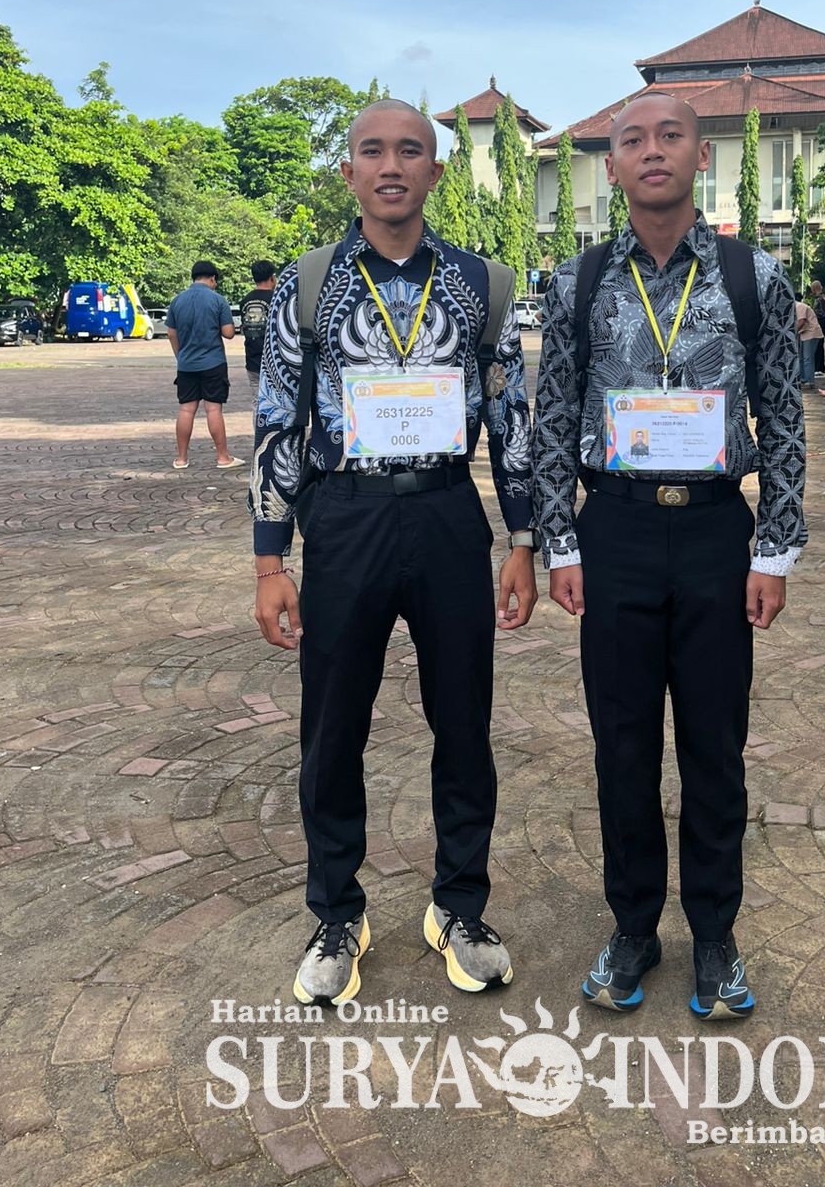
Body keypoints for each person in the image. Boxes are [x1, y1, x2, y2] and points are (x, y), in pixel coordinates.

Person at [250, 99, 537, 1008]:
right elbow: (277, 419)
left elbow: (512, 417)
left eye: (410, 150)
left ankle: (459, 907)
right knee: (333, 726)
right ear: (348, 172)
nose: (391, 166)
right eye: (371, 151)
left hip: (448, 514)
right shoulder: (309, 284)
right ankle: (337, 913)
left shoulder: (482, 284)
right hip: (346, 519)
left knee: (465, 723)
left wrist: (522, 538)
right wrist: (270, 559)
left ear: (434, 172)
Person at [531, 91, 806, 1020]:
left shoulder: (753, 276)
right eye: (632, 140)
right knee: (622, 746)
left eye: (671, 136)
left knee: (714, 746)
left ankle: (715, 934)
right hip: (614, 530)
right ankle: (634, 927)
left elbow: (785, 417)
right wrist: (560, 540)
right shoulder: (577, 282)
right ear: (611, 166)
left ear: (701, 156)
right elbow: (552, 416)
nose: (652, 151)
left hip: (717, 535)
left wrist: (774, 549)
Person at [165, 262, 243, 471]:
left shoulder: (177, 301)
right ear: (212, 278)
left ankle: (181, 459)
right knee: (213, 409)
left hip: (186, 364)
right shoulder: (217, 300)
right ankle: (223, 458)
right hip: (213, 362)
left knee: (186, 409)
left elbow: (171, 333)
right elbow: (228, 333)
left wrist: (180, 355)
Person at [240, 260, 277, 403]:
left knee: (257, 400)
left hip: (252, 359)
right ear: (272, 278)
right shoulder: (277, 299)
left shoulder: (245, 300)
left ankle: (258, 419)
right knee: (276, 401)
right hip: (274, 361)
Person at [794, 294, 823, 387]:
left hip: (811, 333)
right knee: (801, 357)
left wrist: (793, 333)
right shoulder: (796, 307)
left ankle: (809, 380)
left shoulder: (799, 306)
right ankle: (803, 378)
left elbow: (801, 321)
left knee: (807, 358)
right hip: (804, 334)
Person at [808, 281, 825, 375]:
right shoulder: (822, 298)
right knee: (819, 345)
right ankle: (819, 366)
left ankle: (819, 367)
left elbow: (821, 313)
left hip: (820, 322)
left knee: (818, 345)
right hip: (821, 322)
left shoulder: (820, 299)